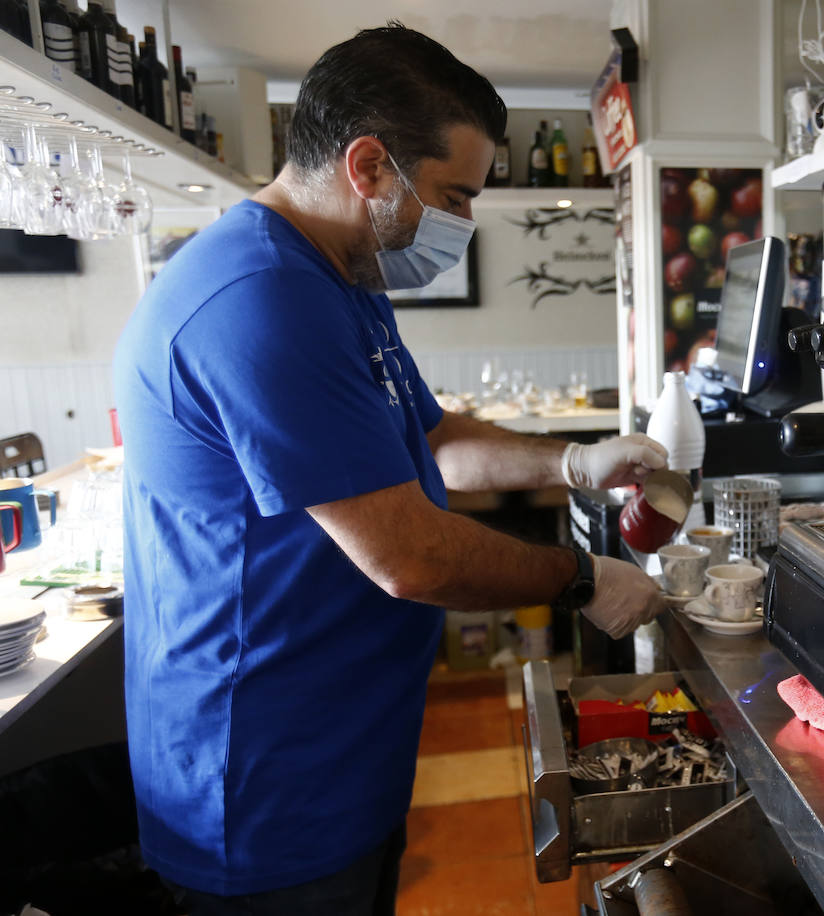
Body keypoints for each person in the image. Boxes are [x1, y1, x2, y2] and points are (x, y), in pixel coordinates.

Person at [112, 23, 667, 914]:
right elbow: (408, 557)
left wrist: (573, 460)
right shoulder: (262, 299)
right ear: (368, 165)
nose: (465, 224)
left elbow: (434, 439)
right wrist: (580, 577)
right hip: (261, 769)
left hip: (338, 741)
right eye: (454, 194)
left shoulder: (338, 282)